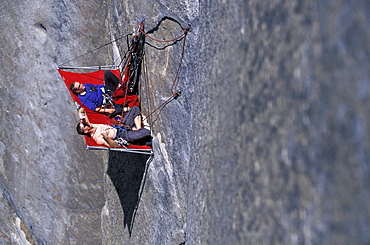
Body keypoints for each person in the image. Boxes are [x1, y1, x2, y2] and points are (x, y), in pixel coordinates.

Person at [76, 106, 151, 147]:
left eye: (84, 122)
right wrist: (106, 137)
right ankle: (138, 131)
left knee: (134, 109)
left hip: (121, 127)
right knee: (147, 132)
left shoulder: (91, 124)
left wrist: (81, 115)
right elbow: (113, 146)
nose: (86, 123)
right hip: (123, 136)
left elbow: (82, 109)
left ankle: (138, 129)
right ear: (86, 131)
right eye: (85, 125)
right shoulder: (98, 138)